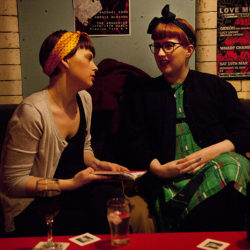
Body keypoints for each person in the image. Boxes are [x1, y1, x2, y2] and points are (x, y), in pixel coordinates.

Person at [122, 5, 250, 232]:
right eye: (157, 47)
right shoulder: (142, 94)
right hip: (168, 179)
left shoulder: (217, 87)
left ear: (189, 50)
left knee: (233, 166)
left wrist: (209, 153)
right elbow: (132, 140)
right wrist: (158, 169)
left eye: (169, 46)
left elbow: (244, 132)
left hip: (215, 168)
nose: (161, 54)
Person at [0, 30, 128, 236]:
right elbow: (12, 182)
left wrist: (99, 165)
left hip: (75, 192)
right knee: (80, 219)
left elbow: (83, 148)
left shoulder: (84, 99)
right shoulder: (32, 113)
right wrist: (71, 184)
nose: (95, 67)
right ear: (65, 61)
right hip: (37, 205)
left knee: (113, 199)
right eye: (89, 58)